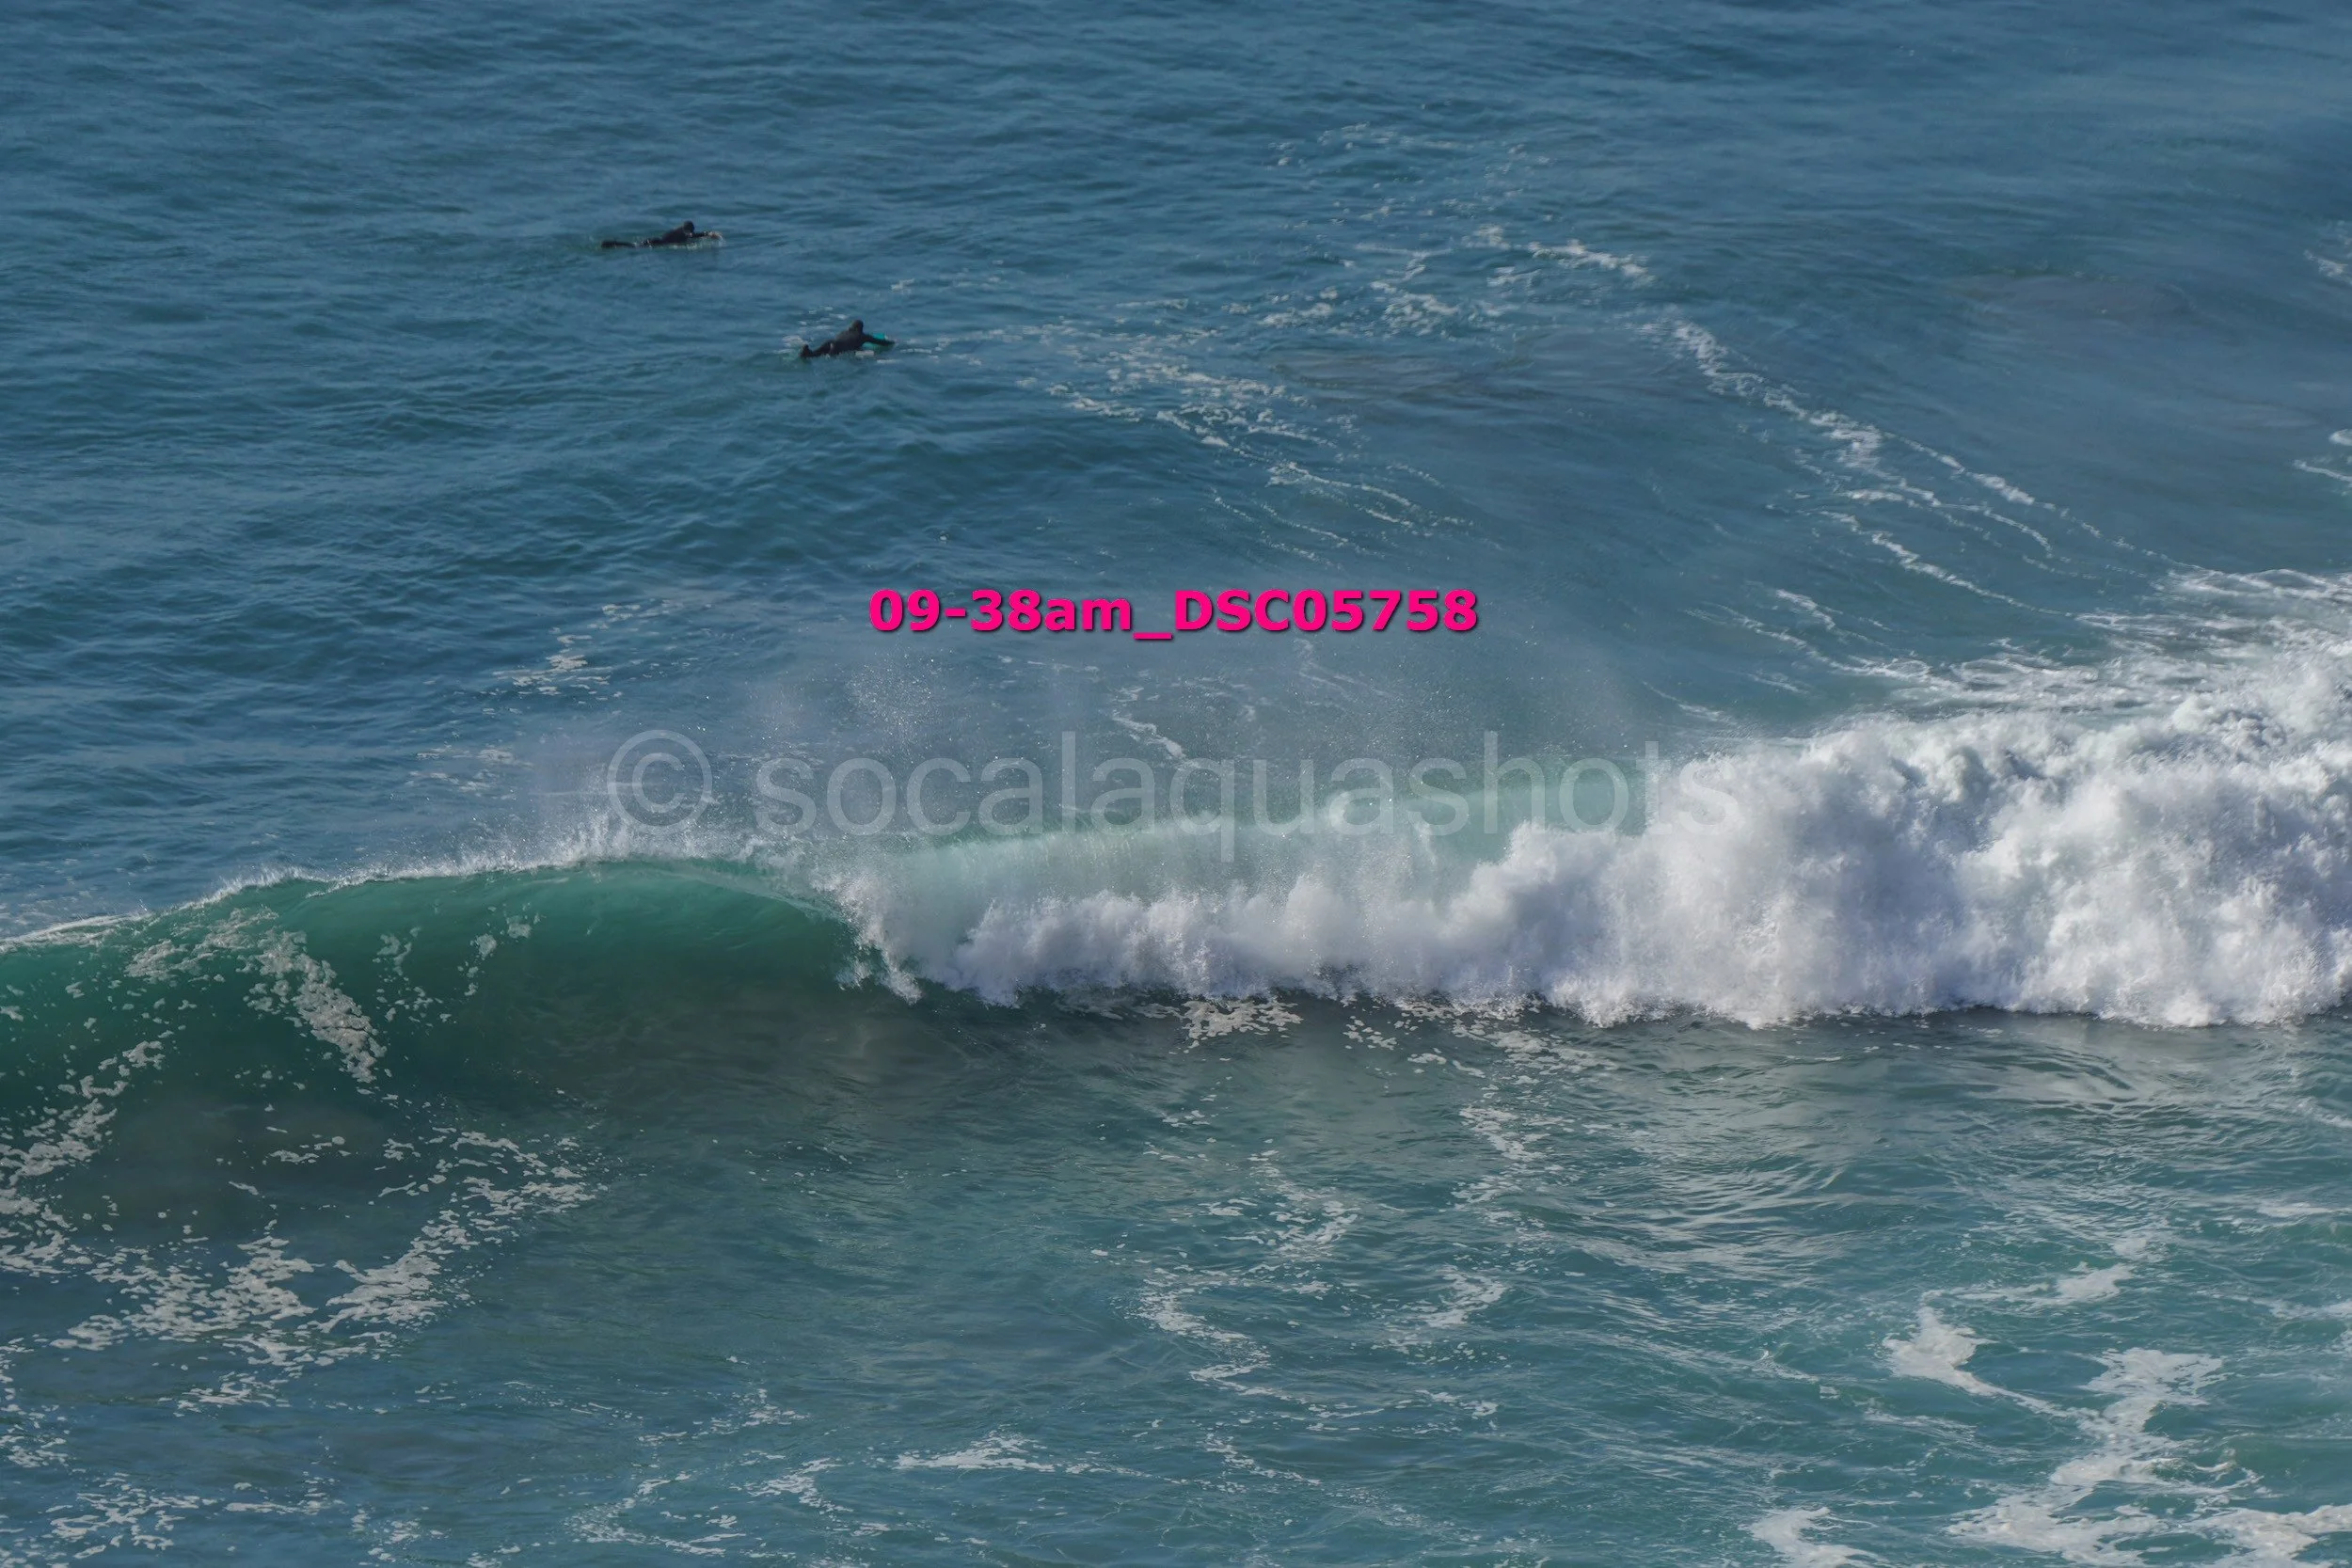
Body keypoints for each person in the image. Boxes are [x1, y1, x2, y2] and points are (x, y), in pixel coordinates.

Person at [800, 320, 893, 358]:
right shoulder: (863, 336)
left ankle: (807, 352)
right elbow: (881, 342)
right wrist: (892, 342)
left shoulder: (843, 332)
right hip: (839, 348)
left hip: (830, 342)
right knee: (828, 356)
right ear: (860, 329)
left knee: (817, 353)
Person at [601, 221, 719, 249]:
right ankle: (613, 244)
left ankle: (613, 243)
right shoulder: (684, 233)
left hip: (655, 241)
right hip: (656, 243)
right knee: (634, 247)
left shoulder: (677, 231)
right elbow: (693, 236)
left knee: (634, 246)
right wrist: (708, 233)